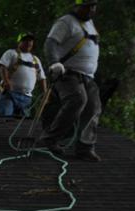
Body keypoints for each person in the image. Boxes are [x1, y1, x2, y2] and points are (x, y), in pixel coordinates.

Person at [38, 0, 101, 160]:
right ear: (77, 6)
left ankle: (84, 148)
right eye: (86, 6)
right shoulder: (66, 22)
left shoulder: (90, 24)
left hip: (88, 76)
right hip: (67, 73)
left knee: (93, 108)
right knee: (77, 99)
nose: (90, 9)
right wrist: (54, 63)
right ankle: (50, 138)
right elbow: (50, 43)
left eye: (93, 6)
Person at [0, 34, 46, 118]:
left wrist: (44, 94)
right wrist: (6, 81)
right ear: (19, 42)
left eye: (30, 40)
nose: (28, 42)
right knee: (6, 121)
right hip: (10, 94)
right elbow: (2, 66)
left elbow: (42, 78)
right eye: (25, 40)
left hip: (27, 98)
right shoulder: (11, 53)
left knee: (22, 126)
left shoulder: (35, 60)